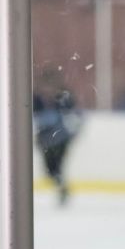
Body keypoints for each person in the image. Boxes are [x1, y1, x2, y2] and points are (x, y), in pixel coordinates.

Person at [33, 72, 83, 206]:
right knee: (49, 171)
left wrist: (73, 133)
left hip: (61, 140)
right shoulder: (36, 99)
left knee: (57, 168)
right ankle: (61, 186)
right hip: (44, 142)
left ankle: (62, 188)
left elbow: (77, 116)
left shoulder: (64, 98)